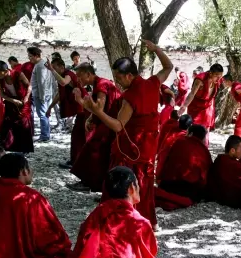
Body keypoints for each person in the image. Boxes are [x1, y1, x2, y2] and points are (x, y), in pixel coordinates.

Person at [63, 166, 184, 258]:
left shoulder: (95, 216)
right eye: (137, 184)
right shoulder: (139, 222)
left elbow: (79, 255)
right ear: (132, 187)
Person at [82, 40, 172, 230]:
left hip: (131, 147)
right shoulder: (153, 83)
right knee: (145, 181)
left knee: (124, 180)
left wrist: (97, 112)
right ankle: (149, 220)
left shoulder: (130, 97)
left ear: (129, 76)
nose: (117, 82)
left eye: (119, 77)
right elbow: (168, 66)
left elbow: (117, 126)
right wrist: (156, 49)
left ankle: (121, 218)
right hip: (149, 145)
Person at [68, 63, 122, 192]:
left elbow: (99, 108)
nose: (78, 79)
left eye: (79, 76)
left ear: (88, 74)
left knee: (93, 148)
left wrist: (80, 100)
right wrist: (91, 118)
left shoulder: (101, 84)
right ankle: (93, 182)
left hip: (111, 123)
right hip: (107, 121)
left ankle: (90, 183)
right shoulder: (99, 83)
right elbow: (97, 111)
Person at [156, 125, 212, 209]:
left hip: (169, 184)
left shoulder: (179, 141)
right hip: (189, 190)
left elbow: (166, 161)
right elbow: (207, 174)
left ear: (191, 134)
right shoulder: (204, 151)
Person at [46, 58, 87, 168]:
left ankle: (77, 161)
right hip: (79, 109)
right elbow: (59, 94)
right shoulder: (62, 77)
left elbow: (63, 82)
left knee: (78, 136)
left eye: (55, 68)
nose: (53, 70)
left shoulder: (68, 74)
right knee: (76, 136)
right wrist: (50, 107)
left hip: (83, 108)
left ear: (62, 67)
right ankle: (75, 159)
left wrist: (51, 70)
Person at [208, 135, 241, 208]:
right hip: (231, 200)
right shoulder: (232, 165)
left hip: (218, 196)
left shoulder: (220, 159)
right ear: (232, 150)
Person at [178, 64, 224, 147]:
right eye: (217, 76)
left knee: (206, 130)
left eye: (220, 76)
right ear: (210, 73)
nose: (219, 78)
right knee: (195, 128)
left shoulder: (218, 80)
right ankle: (191, 147)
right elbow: (191, 94)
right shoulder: (200, 79)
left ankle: (203, 148)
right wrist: (184, 106)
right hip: (196, 106)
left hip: (208, 107)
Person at [0, 61, 34, 154]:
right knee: (6, 124)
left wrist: (26, 98)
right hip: (10, 101)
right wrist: (13, 101)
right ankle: (6, 147)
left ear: (6, 70)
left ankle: (24, 149)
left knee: (23, 124)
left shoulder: (18, 74)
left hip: (23, 100)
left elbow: (29, 86)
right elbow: (2, 94)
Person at [28, 46, 57, 142]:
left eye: (31, 56)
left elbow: (42, 82)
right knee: (45, 114)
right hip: (45, 93)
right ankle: (46, 133)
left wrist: (42, 96)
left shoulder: (40, 65)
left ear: (36, 56)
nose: (29, 58)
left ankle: (45, 135)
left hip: (41, 94)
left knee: (42, 115)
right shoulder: (42, 64)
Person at [157, 113, 193, 180]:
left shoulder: (172, 130)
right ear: (190, 126)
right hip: (170, 174)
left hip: (160, 167)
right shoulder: (184, 138)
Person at [222, 74, 241, 139]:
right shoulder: (236, 85)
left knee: (239, 126)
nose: (223, 83)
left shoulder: (235, 86)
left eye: (224, 81)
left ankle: (237, 142)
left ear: (228, 81)